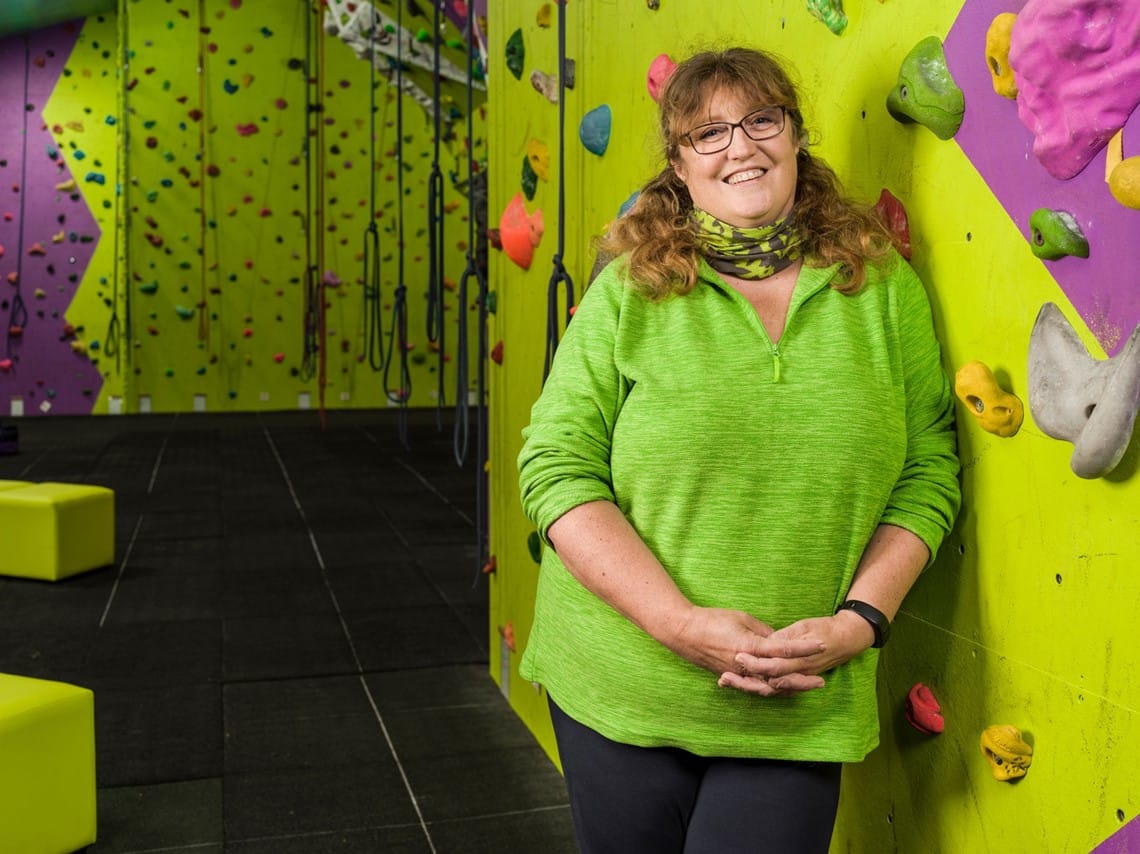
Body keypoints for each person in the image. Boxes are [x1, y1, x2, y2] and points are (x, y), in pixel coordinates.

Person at [517, 47, 961, 854]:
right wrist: (677, 622)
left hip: (799, 689)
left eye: (762, 119)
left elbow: (928, 466)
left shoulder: (880, 285)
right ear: (680, 167)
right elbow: (556, 467)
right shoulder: (631, 289)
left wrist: (863, 620)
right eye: (708, 132)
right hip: (625, 677)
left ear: (794, 138)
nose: (740, 146)